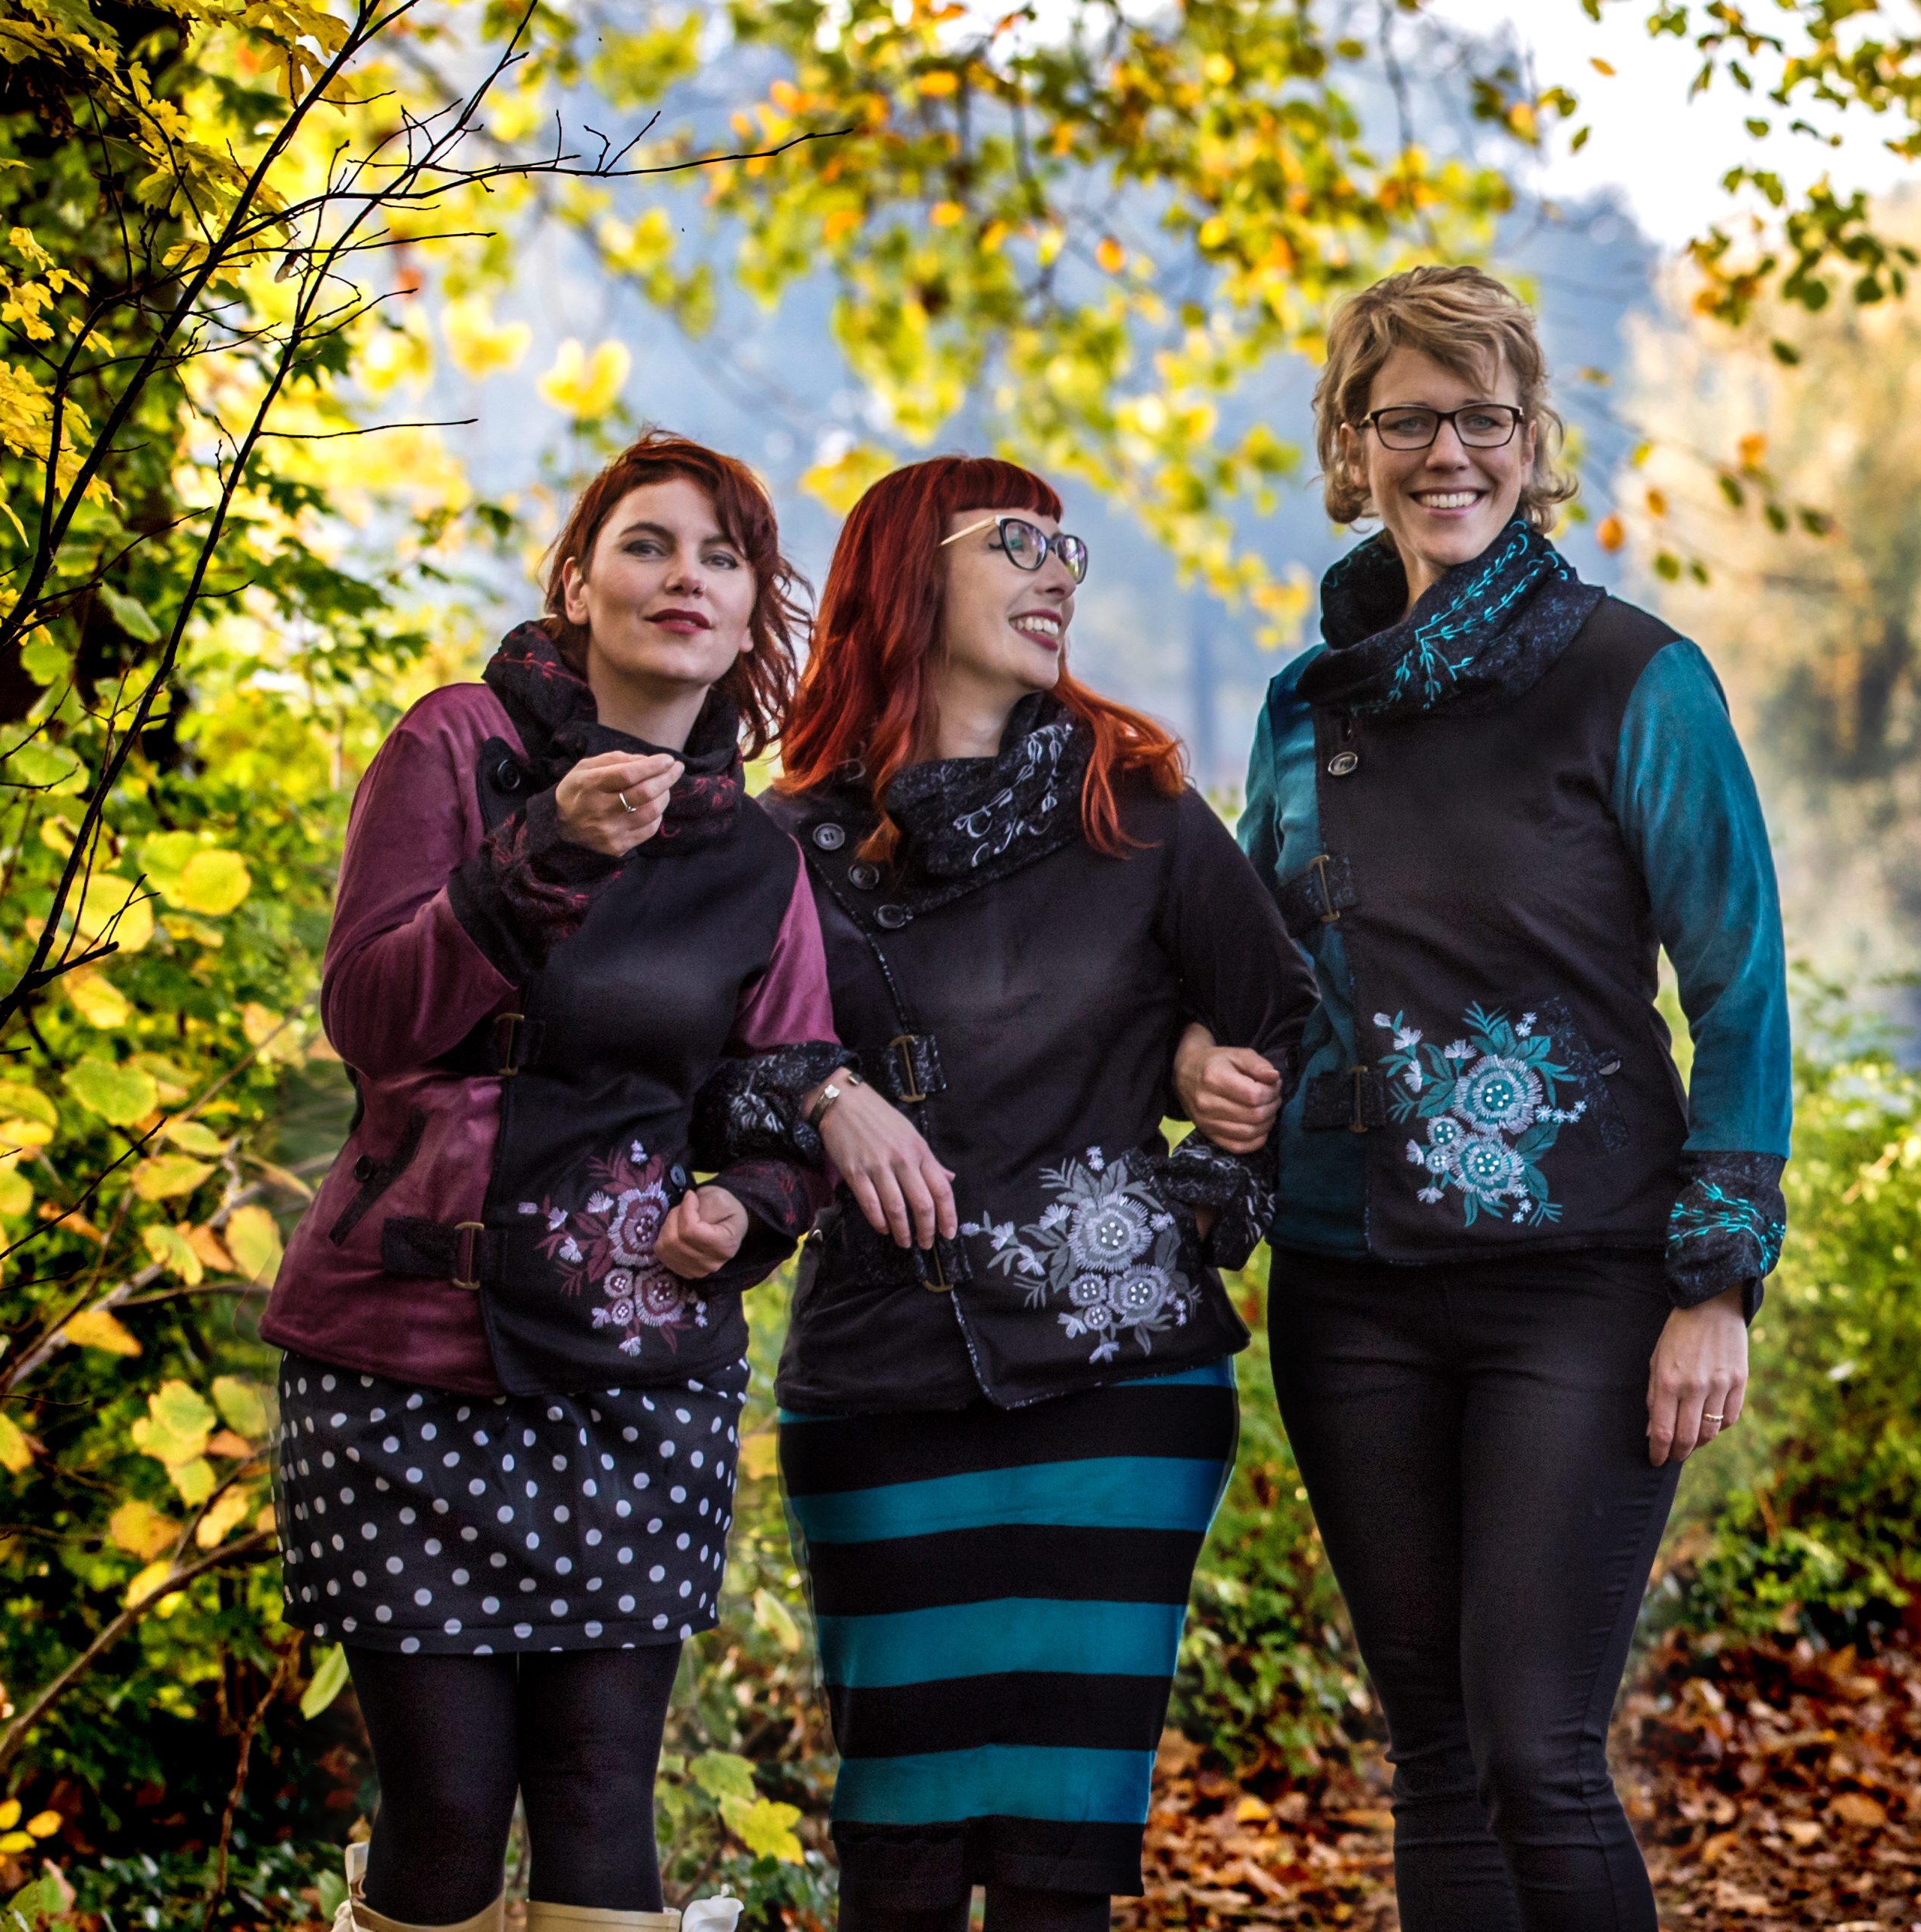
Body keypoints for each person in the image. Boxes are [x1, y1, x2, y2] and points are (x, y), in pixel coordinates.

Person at [264, 432, 917, 1932]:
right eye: (648, 543)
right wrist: (543, 848)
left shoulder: (754, 856)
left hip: (636, 1373)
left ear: (749, 619)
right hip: (401, 1356)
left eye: (722, 557)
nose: (686, 576)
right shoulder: (459, 746)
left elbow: (781, 1090)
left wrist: (747, 1210)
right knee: (442, 1808)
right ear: (577, 582)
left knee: (597, 1793)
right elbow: (371, 1020)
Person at [1221, 263, 1790, 1932]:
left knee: (1535, 1748)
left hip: (1583, 1282)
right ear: (1350, 444)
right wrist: (1200, 1062)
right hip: (1349, 1286)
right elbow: (1255, 971)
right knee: (1434, 1756)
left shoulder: (1636, 678)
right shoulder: (1302, 710)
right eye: (1407, 419)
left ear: (1533, 442)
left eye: (1483, 419)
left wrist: (1717, 1282)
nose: (1446, 454)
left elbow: (1740, 988)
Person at [758, 456, 1313, 1932]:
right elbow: (705, 1063)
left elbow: (1283, 1012)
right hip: (881, 1377)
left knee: (1061, 1865)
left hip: (1120, 1384)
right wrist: (823, 1090)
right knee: (897, 1856)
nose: (1058, 569)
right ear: (906, 572)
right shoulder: (786, 844)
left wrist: (1209, 1173)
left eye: (1069, 548)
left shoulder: (1138, 813)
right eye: (1016, 540)